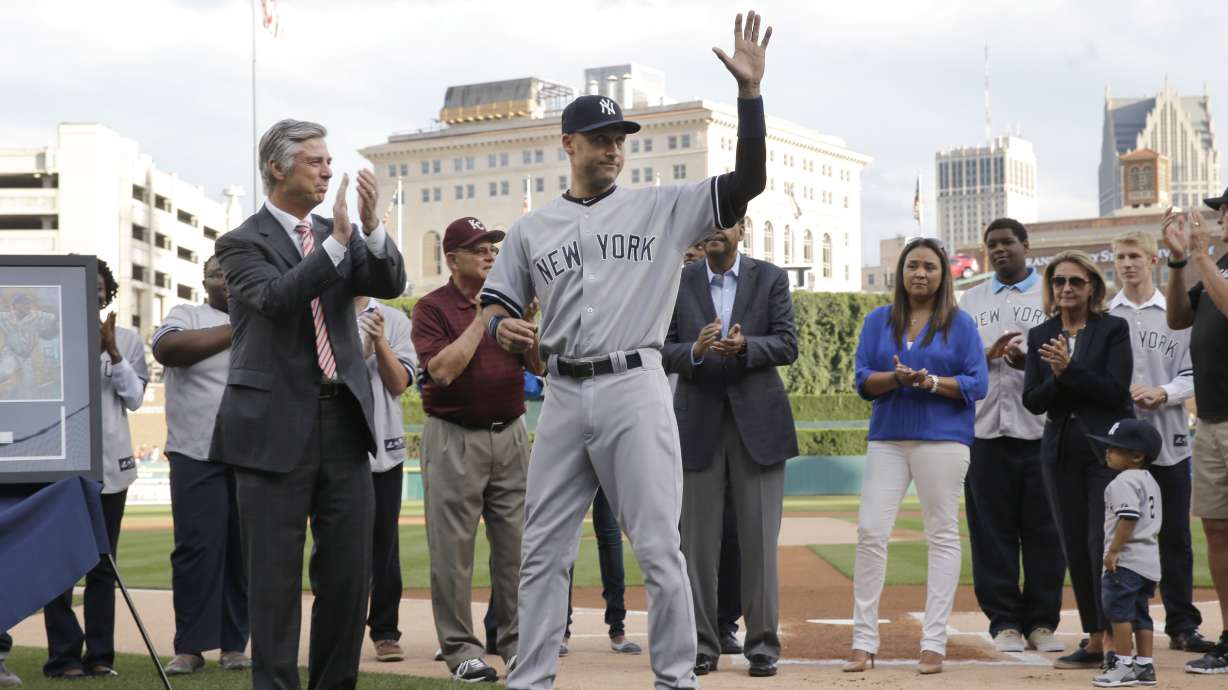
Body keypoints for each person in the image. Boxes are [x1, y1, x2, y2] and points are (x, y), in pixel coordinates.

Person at [480, 12, 771, 690]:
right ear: (569, 142)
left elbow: (747, 182)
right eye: (601, 138)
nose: (614, 148)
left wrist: (750, 96)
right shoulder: (531, 229)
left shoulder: (662, 207)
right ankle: (532, 679)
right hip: (562, 394)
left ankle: (675, 679)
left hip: (634, 387)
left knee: (659, 548)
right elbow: (495, 305)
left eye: (619, 139)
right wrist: (498, 329)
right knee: (541, 550)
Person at [212, 119, 406, 690]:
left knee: (348, 577)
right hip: (271, 425)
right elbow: (277, 298)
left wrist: (371, 227)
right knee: (273, 583)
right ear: (276, 168)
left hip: (344, 419)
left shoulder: (338, 230)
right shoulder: (241, 242)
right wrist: (338, 244)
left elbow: (389, 282)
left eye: (328, 161)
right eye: (314, 161)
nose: (327, 171)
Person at [848, 237, 988, 676]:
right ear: (901, 273)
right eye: (912, 266)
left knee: (941, 534)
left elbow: (977, 384)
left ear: (943, 275)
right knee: (871, 531)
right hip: (888, 437)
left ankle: (933, 643)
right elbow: (862, 380)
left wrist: (930, 383)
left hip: (943, 439)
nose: (920, 273)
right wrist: (897, 378)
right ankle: (863, 640)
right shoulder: (877, 320)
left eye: (929, 266)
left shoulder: (960, 324)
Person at [663, 217, 797, 678]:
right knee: (696, 547)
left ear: (743, 230)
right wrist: (695, 351)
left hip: (759, 426)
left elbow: (788, 344)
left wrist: (745, 347)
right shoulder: (678, 280)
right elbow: (660, 347)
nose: (717, 230)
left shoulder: (771, 278)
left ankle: (762, 645)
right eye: (710, 223)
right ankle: (702, 645)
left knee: (759, 543)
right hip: (697, 423)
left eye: (727, 223)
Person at [413, 216, 541, 683]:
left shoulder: (510, 301)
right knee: (453, 552)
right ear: (453, 260)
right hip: (453, 435)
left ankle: (515, 644)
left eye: (493, 249)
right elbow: (442, 371)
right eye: (479, 249)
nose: (490, 255)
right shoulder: (432, 307)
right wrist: (484, 317)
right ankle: (461, 650)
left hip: (510, 433)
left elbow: (539, 365)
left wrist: (528, 323)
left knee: (517, 549)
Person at [956, 218, 1065, 653]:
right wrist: (985, 355)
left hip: (1041, 430)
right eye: (992, 244)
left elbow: (1070, 359)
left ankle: (1041, 623)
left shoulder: (1051, 296)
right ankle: (1004, 623)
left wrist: (1029, 362)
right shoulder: (971, 298)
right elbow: (957, 360)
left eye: (1007, 242)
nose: (999, 249)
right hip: (984, 431)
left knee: (1045, 534)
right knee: (991, 535)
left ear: (1025, 245)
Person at [1022, 250, 1133, 670]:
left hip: (1106, 452)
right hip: (1059, 453)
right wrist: (1059, 378)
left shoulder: (1112, 329)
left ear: (1092, 288)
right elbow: (1033, 400)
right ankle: (1095, 637)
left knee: (1100, 544)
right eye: (1059, 281)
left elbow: (1115, 391)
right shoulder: (1041, 334)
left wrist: (1069, 371)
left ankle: (1117, 637)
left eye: (1075, 281)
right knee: (1074, 543)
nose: (1066, 288)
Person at [1110, 230, 1216, 654]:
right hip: (1118, 444)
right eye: (1121, 257)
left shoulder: (1178, 313)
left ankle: (1182, 625)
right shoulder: (1107, 314)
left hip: (1168, 438)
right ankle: (1115, 623)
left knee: (1175, 538)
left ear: (1153, 260)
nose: (1127, 264)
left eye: (1135, 256)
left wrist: (1164, 392)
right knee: (1115, 534)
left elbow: (1194, 372)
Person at [43, 258, 148, 679]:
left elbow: (135, 399)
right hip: (61, 465)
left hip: (111, 466)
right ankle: (64, 658)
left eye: (100, 291)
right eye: (86, 289)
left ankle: (100, 657)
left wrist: (114, 352)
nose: (94, 297)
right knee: (60, 567)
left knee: (104, 566)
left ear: (108, 296)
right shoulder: (49, 337)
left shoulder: (128, 339)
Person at [152, 255, 250, 675]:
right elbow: (168, 350)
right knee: (195, 549)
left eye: (232, 273)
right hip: (195, 450)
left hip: (250, 453)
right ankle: (190, 647)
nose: (224, 280)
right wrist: (241, 326)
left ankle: (234, 645)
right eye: (216, 273)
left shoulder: (267, 318)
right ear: (204, 281)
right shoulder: (186, 314)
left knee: (242, 552)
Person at [1160, 192, 1228, 674]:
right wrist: (1179, 260)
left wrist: (1201, 255)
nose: (1219, 215)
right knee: (1217, 529)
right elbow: (1178, 318)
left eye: (1225, 208)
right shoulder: (1217, 264)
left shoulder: (1215, 262)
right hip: (1210, 418)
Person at [355, 293, 416, 664]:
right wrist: (359, 349)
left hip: (384, 449)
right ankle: (340, 632)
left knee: (385, 547)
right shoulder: (320, 310)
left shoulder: (393, 319)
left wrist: (379, 343)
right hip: (336, 450)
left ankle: (385, 632)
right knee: (336, 548)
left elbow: (398, 384)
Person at [1086, 419, 1164, 688]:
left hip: (1127, 560)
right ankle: (1144, 666)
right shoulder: (1150, 480)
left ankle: (1123, 665)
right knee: (1141, 614)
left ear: (1137, 455)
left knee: (1119, 614)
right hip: (1148, 560)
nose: (1107, 452)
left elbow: (1128, 517)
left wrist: (1113, 551)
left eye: (1114, 448)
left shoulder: (1123, 481)